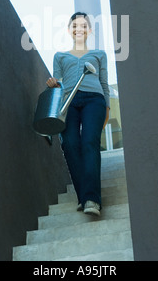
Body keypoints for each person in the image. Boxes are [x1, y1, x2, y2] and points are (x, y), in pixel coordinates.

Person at [46, 12, 110, 216]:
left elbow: (105, 84)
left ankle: (91, 199)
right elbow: (57, 83)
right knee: (70, 144)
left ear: (89, 30)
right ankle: (84, 195)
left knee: (89, 143)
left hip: (94, 100)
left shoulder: (99, 54)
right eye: (75, 26)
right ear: (69, 30)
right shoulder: (60, 56)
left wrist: (107, 109)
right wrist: (53, 84)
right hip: (68, 103)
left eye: (83, 26)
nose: (79, 29)